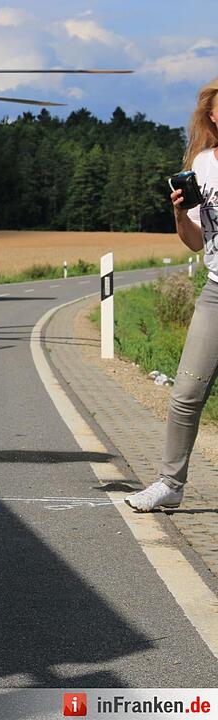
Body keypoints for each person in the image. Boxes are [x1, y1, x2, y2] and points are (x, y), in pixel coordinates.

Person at [126, 77, 218, 512]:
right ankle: (170, 484)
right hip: (216, 292)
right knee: (185, 393)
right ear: (212, 115)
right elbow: (197, 242)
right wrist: (180, 211)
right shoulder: (201, 164)